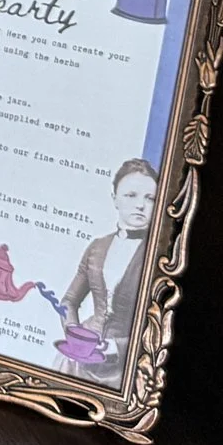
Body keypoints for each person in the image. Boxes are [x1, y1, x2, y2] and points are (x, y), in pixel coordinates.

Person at [58, 158, 161, 384]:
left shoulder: (159, 257)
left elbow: (159, 326)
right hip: (80, 361)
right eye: (130, 195)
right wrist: (75, 334)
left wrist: (117, 347)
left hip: (126, 366)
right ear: (115, 199)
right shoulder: (98, 247)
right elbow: (68, 302)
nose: (140, 205)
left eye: (150, 198)